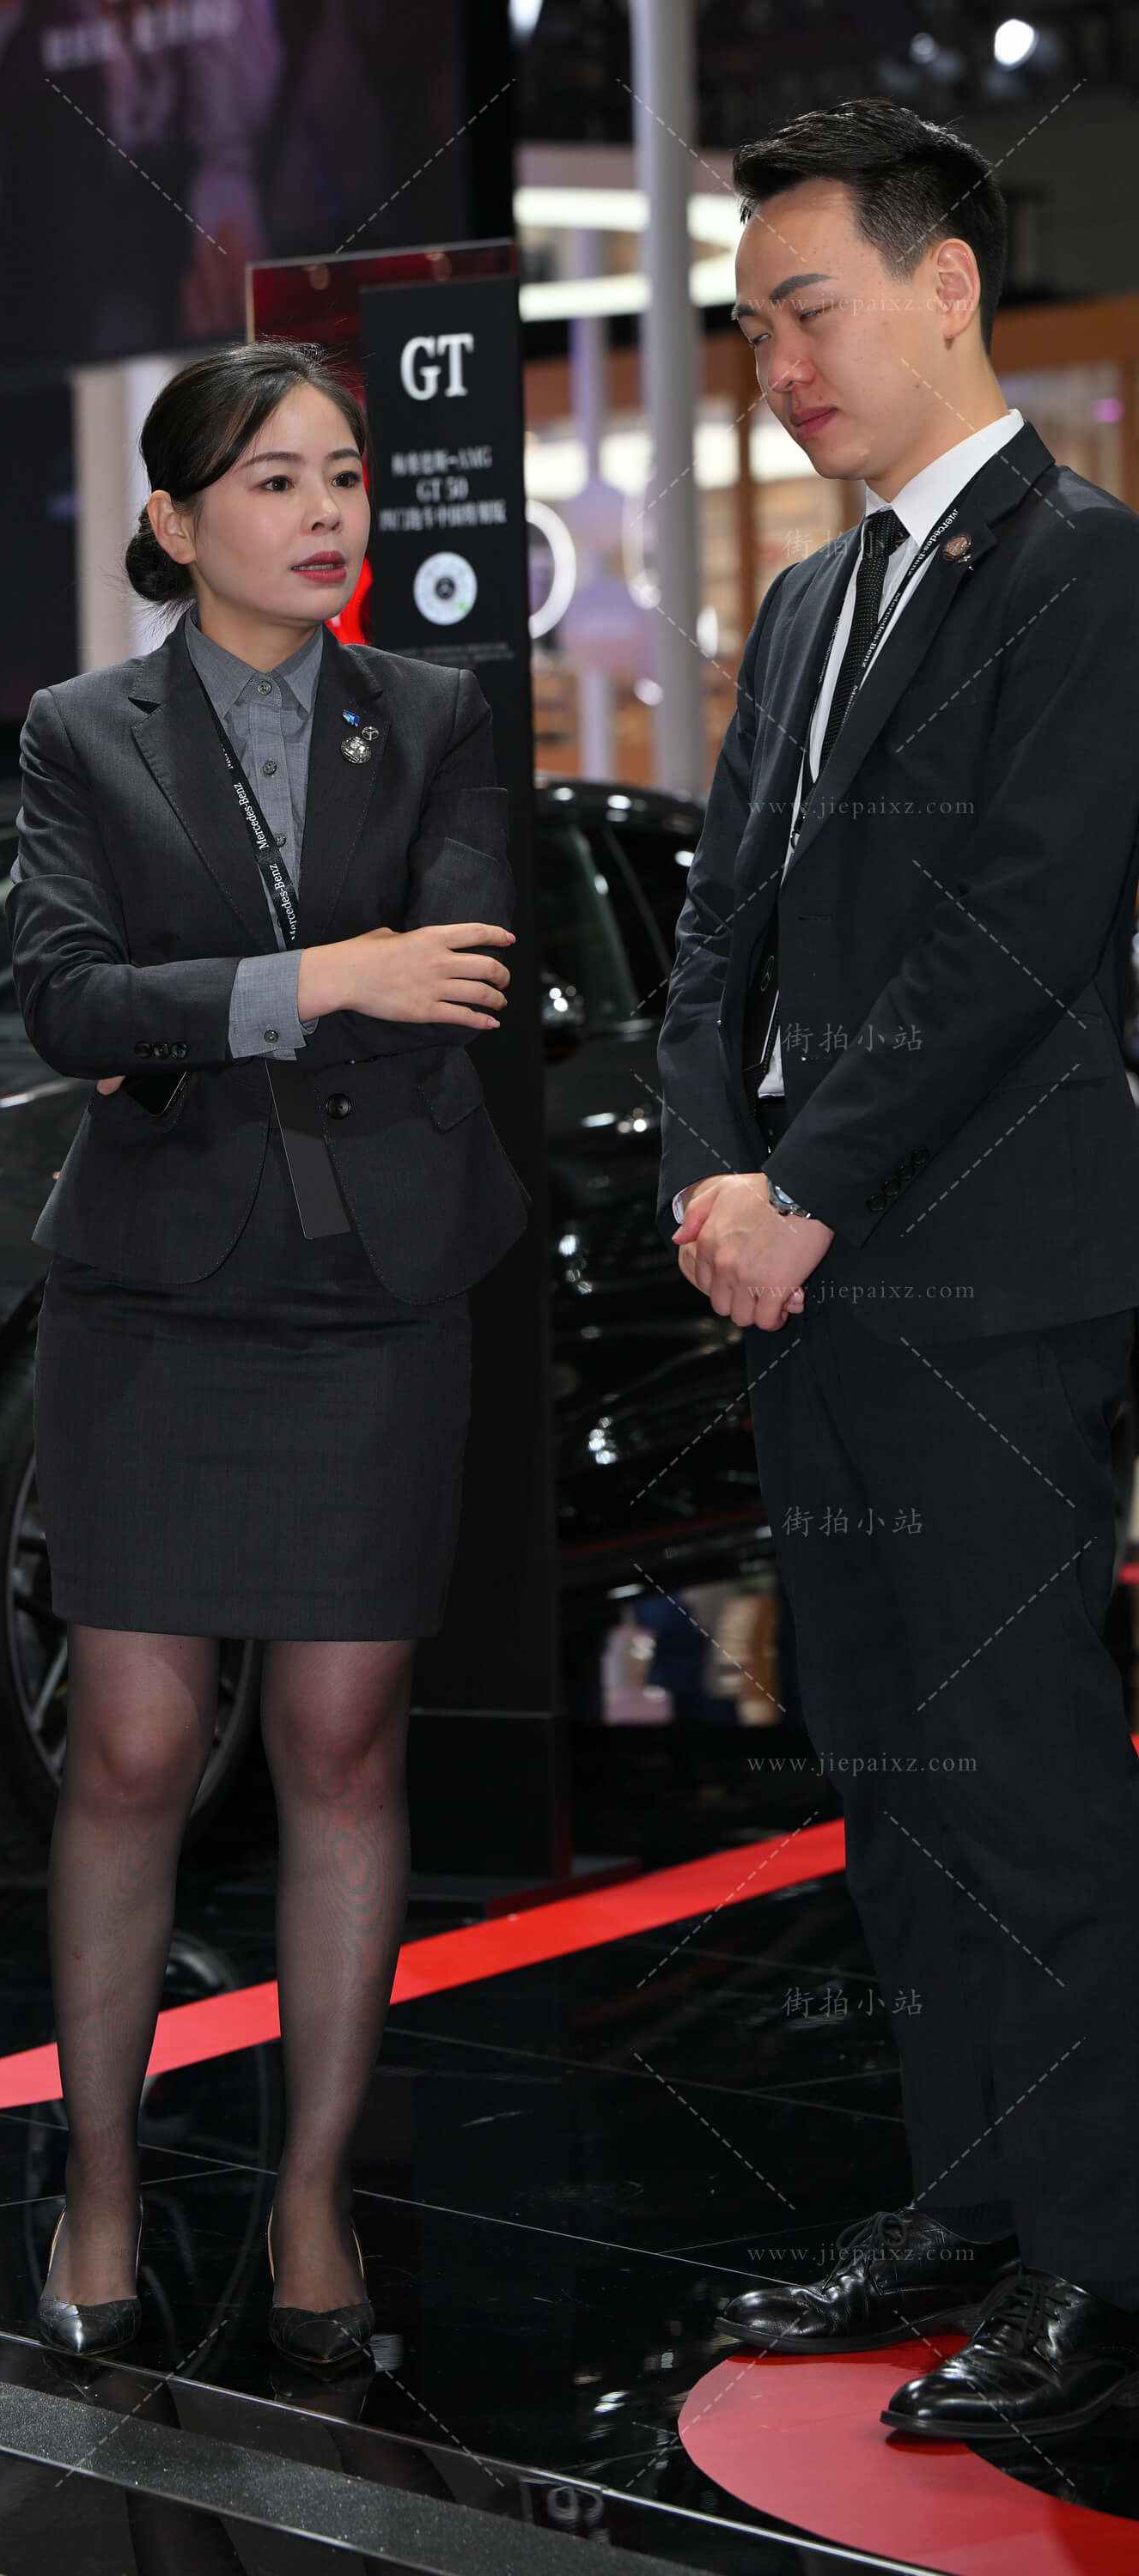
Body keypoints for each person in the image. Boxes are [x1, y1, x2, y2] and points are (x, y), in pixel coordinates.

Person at [655, 98, 1139, 2439]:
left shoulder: (1086, 571)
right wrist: (705, 1178)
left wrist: (805, 1185)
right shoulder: (806, 601)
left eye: (808, 310)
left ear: (947, 287)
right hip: (807, 1285)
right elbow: (716, 936)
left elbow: (1015, 937)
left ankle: (1099, 2260)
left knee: (1024, 1783)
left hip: (987, 1290)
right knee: (884, 1776)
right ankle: (962, 2197)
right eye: (753, 327)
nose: (779, 366)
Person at [6, 337, 530, 2366]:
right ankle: (103, 2190)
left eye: (345, 477)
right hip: (152, 1298)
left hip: (379, 1294)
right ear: (173, 518)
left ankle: (315, 2205)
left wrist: (213, 1002)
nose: (324, 515)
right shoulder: (82, 731)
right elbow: (66, 1002)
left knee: (341, 1746)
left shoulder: (439, 713)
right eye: (274, 480)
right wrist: (329, 971)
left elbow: (459, 977)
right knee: (131, 1752)